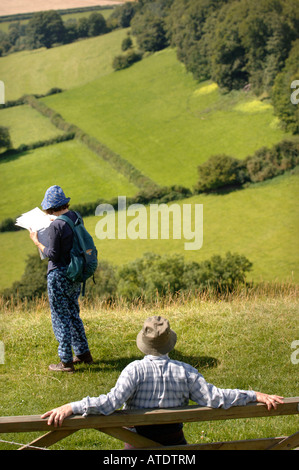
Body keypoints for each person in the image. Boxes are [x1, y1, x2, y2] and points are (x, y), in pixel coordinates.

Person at [41, 316, 284, 446]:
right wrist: (254, 395)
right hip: (174, 444)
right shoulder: (186, 371)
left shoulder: (133, 370)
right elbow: (216, 397)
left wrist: (71, 406)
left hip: (135, 444)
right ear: (169, 343)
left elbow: (109, 403)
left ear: (144, 343)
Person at [29, 185, 93, 373]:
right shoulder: (74, 217)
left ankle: (65, 362)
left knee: (60, 317)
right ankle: (83, 353)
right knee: (73, 312)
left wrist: (37, 242)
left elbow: (53, 254)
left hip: (59, 274)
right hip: (75, 273)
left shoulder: (56, 226)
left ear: (50, 207)